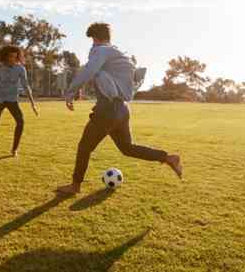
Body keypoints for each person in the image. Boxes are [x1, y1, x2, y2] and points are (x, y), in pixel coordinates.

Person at [57, 23, 182, 194]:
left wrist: (70, 91)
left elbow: (89, 70)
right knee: (127, 148)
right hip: (122, 109)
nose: (92, 45)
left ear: (95, 38)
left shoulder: (100, 51)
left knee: (84, 147)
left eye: (92, 40)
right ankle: (168, 157)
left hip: (107, 110)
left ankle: (75, 186)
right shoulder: (120, 54)